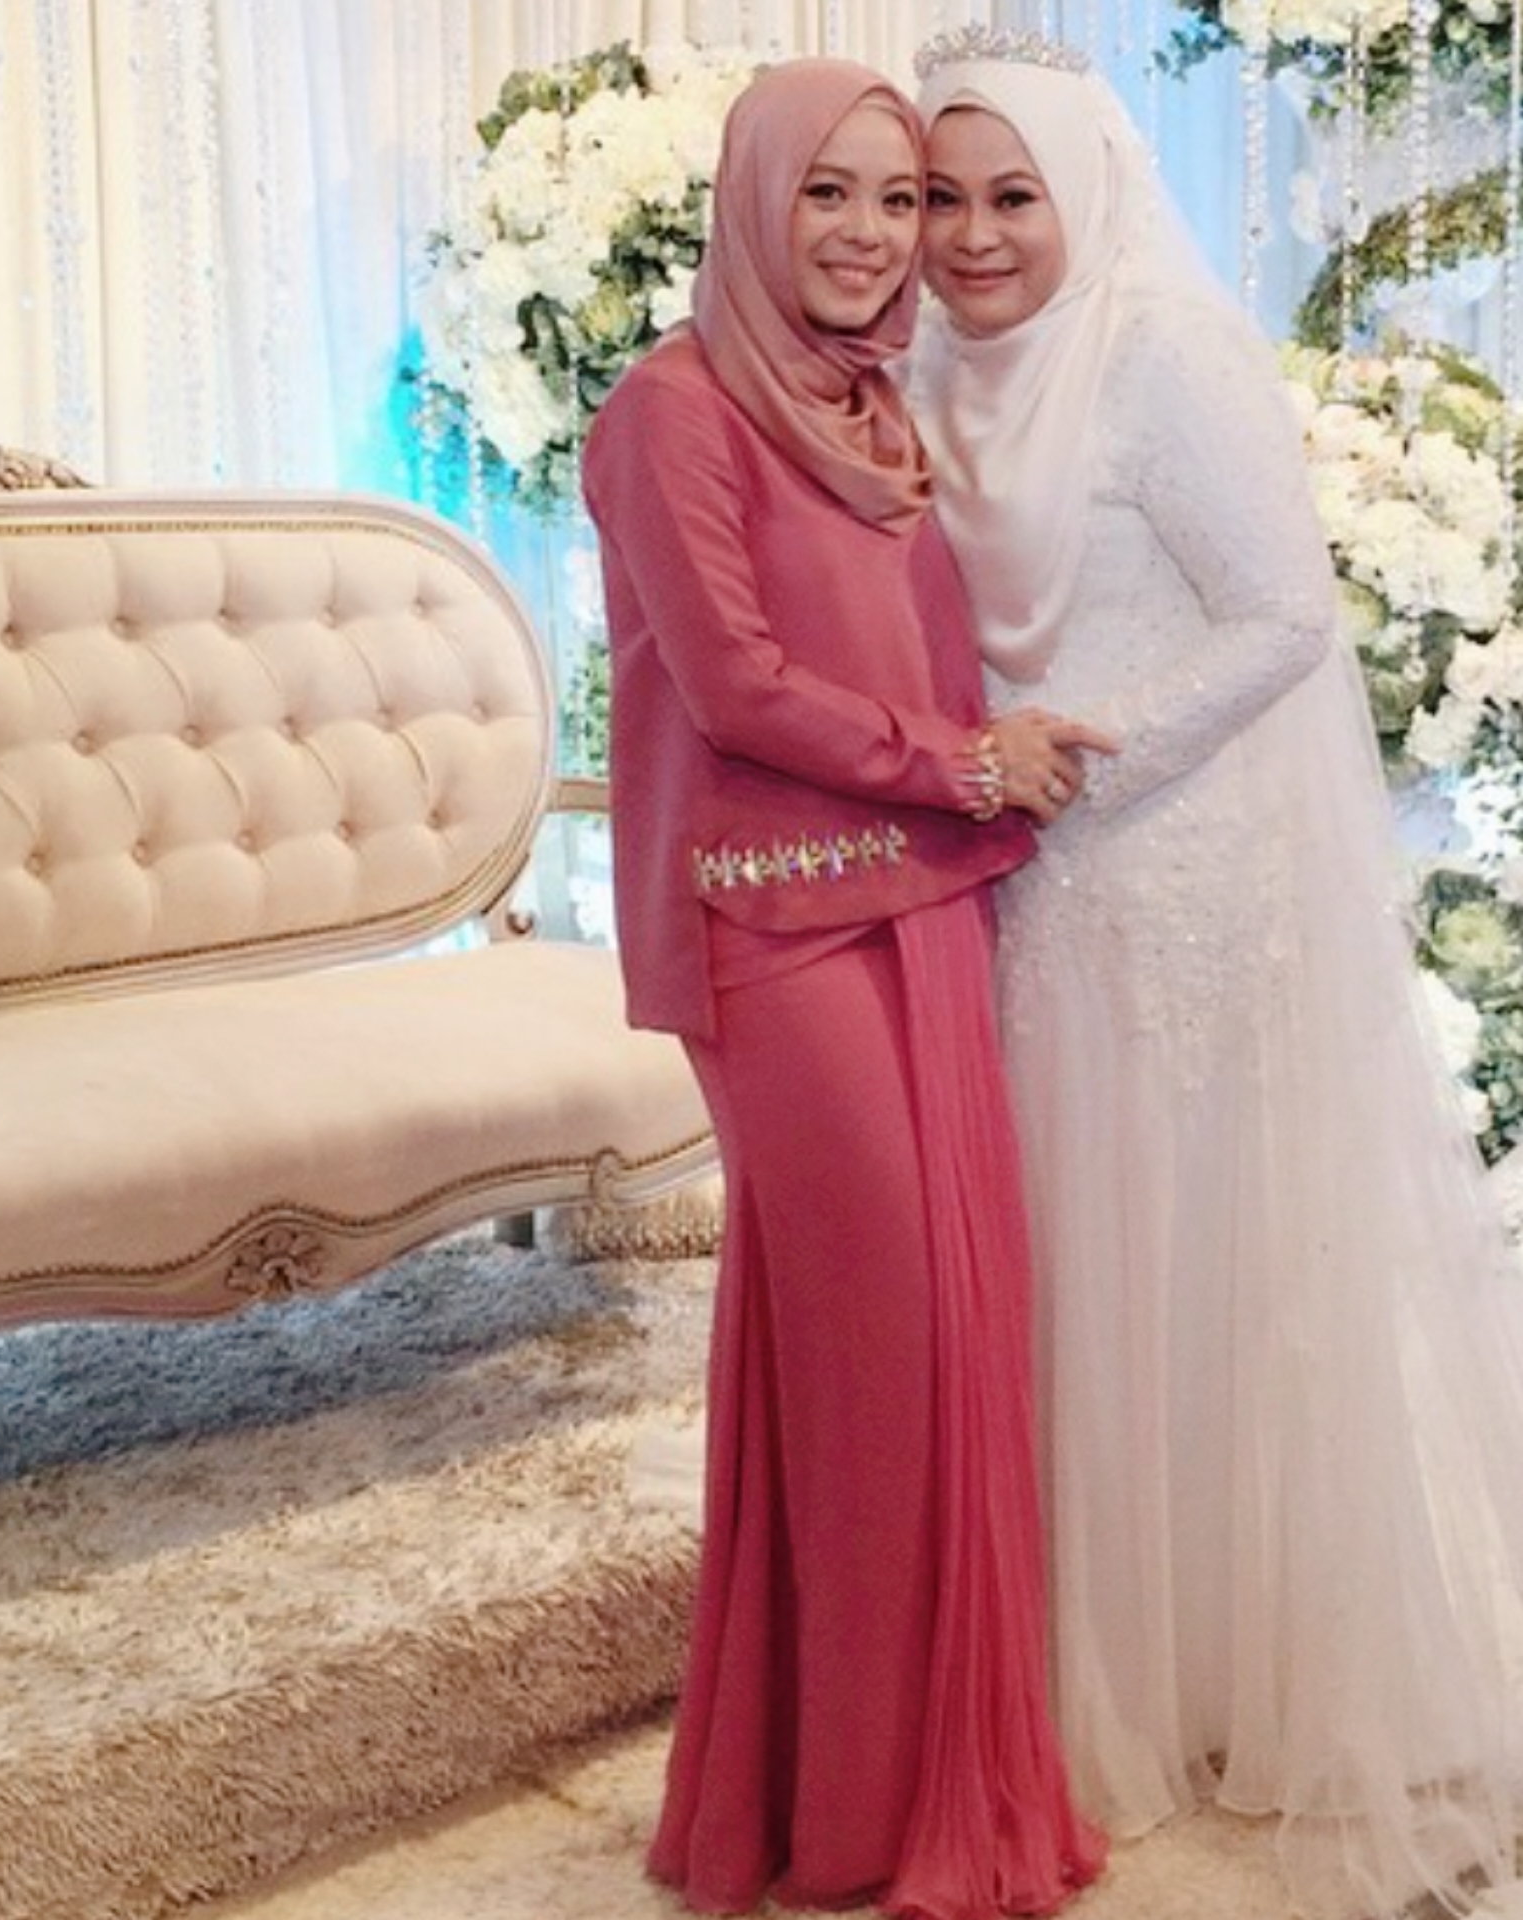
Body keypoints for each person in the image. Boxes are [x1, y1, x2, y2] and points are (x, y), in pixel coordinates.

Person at [909, 34, 1523, 1920]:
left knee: (1199, 1263)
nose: (973, 235)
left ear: (1086, 194)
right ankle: (1093, 1673)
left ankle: (1248, 1681)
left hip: (1170, 860)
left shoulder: (1165, 354)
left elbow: (1285, 617)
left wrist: (1090, 760)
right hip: (1014, 863)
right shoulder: (927, 365)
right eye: (941, 196)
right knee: (1073, 1263)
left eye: (1013, 196)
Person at [579, 58, 1105, 1920]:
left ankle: (846, 1790)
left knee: (927, 1344)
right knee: (878, 1343)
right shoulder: (672, 412)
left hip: (926, 900)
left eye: (900, 197)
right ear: (754, 200)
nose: (877, 235)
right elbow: (732, 689)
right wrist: (965, 764)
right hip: (776, 925)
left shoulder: (870, 401)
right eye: (833, 193)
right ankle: (860, 1813)